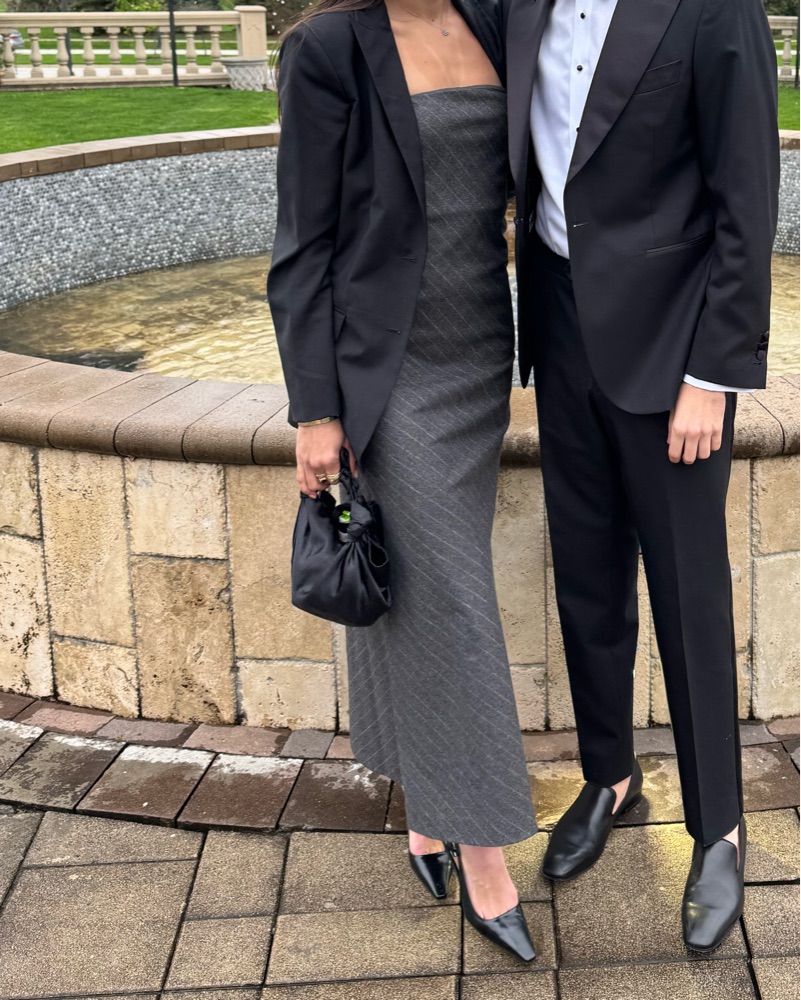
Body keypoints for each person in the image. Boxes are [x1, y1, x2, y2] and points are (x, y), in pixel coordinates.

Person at [503, 0, 779, 952]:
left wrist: (712, 375)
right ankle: (608, 774)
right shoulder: (523, 7)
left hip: (672, 358)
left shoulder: (714, 11)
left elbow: (746, 198)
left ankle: (718, 829)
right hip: (559, 330)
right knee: (587, 578)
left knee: (688, 597)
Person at [268, 0, 538, 961]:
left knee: (415, 593)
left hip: (479, 349)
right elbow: (301, 243)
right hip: (387, 374)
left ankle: (426, 816)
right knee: (455, 604)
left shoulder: (497, 23)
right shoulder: (328, 46)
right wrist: (314, 410)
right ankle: (486, 857)